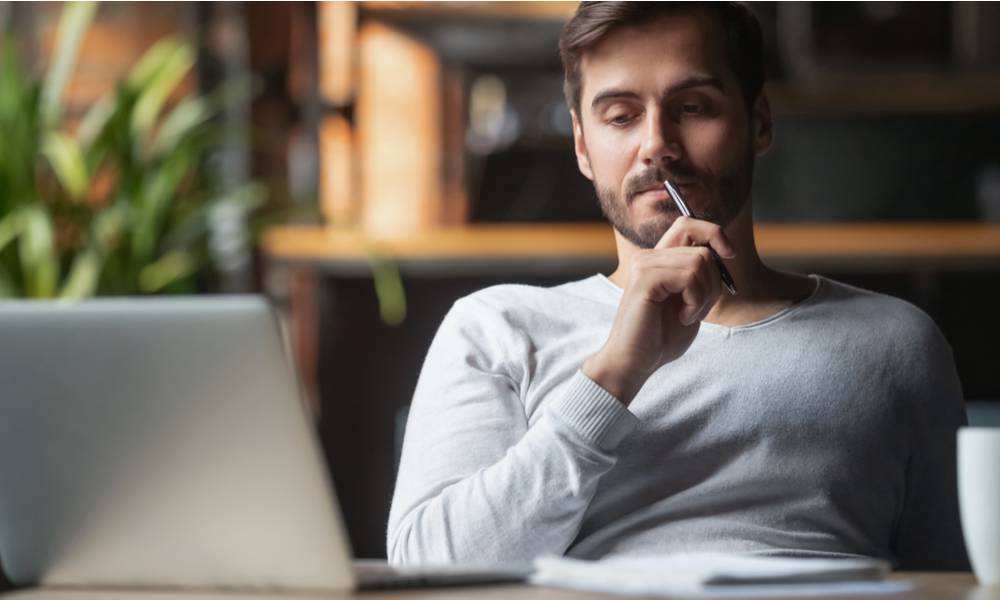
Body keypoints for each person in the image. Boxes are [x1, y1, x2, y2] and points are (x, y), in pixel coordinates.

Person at [387, 1, 969, 570]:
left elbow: (961, 579)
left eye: (692, 108)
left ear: (759, 122)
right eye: (621, 116)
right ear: (583, 145)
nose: (656, 145)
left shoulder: (896, 342)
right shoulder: (497, 329)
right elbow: (430, 569)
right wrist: (613, 375)